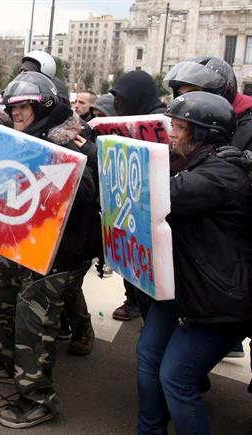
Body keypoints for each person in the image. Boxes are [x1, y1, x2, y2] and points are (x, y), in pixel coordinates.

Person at [0, 71, 100, 428]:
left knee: (34, 316)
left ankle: (37, 398)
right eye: (12, 108)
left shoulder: (72, 139)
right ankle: (2, 360)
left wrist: (70, 166)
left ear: (43, 105)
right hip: (30, 239)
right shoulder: (30, 134)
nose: (17, 114)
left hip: (64, 249)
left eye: (24, 107)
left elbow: (88, 197)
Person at [136, 91, 252, 434]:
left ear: (203, 133)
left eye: (179, 126)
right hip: (184, 287)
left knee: (176, 377)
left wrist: (107, 158)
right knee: (148, 356)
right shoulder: (192, 161)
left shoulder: (222, 173)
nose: (170, 132)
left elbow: (163, 193)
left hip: (217, 299)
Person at [109, 70, 166, 321]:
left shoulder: (159, 121)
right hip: (131, 197)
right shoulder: (134, 117)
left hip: (154, 200)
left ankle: (151, 313)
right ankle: (136, 302)